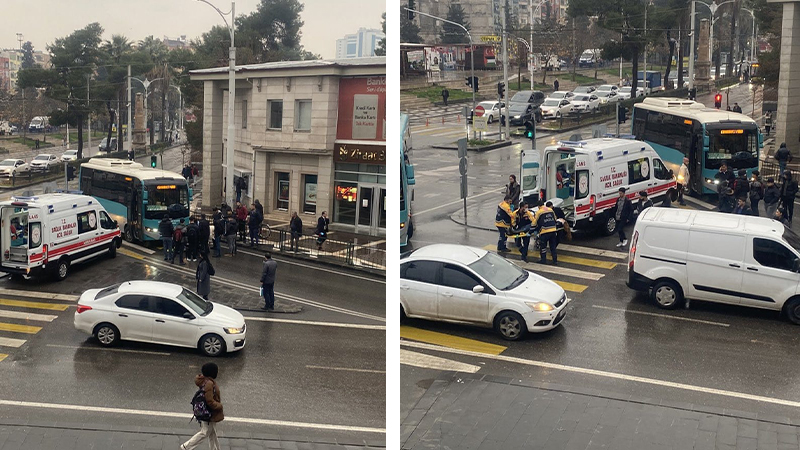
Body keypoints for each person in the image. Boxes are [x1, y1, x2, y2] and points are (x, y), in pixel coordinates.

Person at [181, 363, 223, 450]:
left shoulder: (206, 381)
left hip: (207, 411)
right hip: (209, 412)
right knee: (205, 432)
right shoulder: (209, 384)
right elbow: (209, 401)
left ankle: (215, 448)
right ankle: (186, 446)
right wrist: (219, 406)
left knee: (212, 432)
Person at [534, 200, 559, 265]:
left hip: (544, 231)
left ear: (538, 206)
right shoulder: (550, 210)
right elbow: (555, 219)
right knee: (553, 247)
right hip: (553, 231)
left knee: (543, 247)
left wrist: (532, 229)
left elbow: (534, 223)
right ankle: (555, 261)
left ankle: (543, 260)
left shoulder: (539, 212)